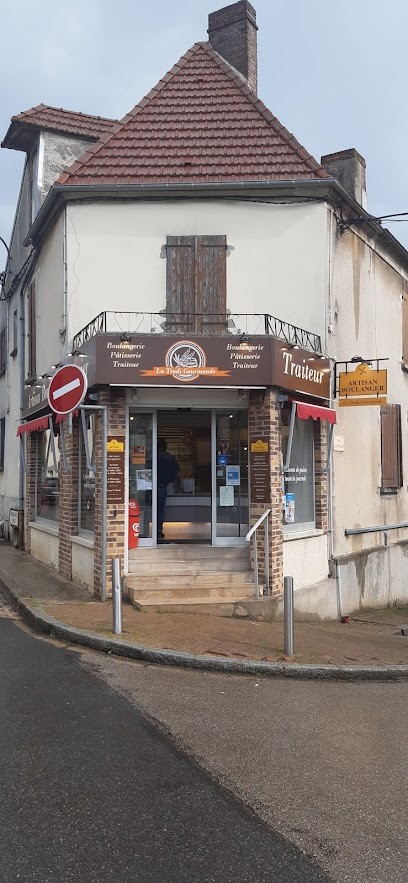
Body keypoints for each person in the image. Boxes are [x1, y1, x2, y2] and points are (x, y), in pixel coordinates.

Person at [157, 439, 180, 540]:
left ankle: (144, 530)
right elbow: (176, 473)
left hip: (150, 487)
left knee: (148, 507)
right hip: (163, 487)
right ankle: (158, 530)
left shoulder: (153, 457)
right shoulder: (170, 458)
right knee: (160, 509)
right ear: (165, 447)